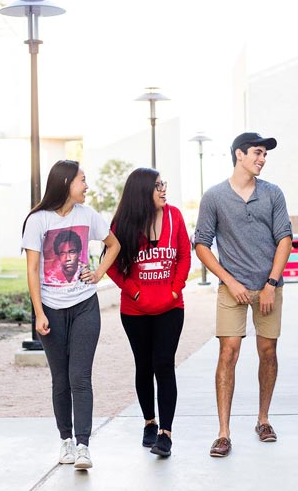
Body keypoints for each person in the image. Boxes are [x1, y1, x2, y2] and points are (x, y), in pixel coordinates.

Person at [195, 132, 293, 458]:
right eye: (257, 153)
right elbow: (202, 245)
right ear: (239, 154)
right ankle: (223, 433)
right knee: (228, 353)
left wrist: (272, 283)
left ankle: (263, 419)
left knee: (267, 351)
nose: (262, 159)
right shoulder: (215, 197)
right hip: (231, 288)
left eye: (264, 154)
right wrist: (229, 281)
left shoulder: (273, 194)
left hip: (267, 287)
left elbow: (284, 240)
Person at [21, 160, 121, 470]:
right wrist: (38, 313)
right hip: (51, 308)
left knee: (80, 376)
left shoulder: (87, 215)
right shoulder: (38, 220)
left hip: (84, 306)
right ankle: (65, 440)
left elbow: (113, 244)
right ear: (66, 184)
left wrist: (99, 273)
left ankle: (83, 446)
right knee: (60, 379)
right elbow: (33, 269)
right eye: (82, 180)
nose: (87, 186)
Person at [106, 168, 191, 458]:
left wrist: (175, 289)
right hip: (135, 310)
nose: (163, 190)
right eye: (157, 186)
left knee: (164, 365)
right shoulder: (123, 223)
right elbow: (112, 265)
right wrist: (136, 291)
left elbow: (183, 255)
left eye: (163, 184)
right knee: (143, 366)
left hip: (170, 307)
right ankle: (149, 422)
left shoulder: (175, 216)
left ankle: (165, 434)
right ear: (143, 191)